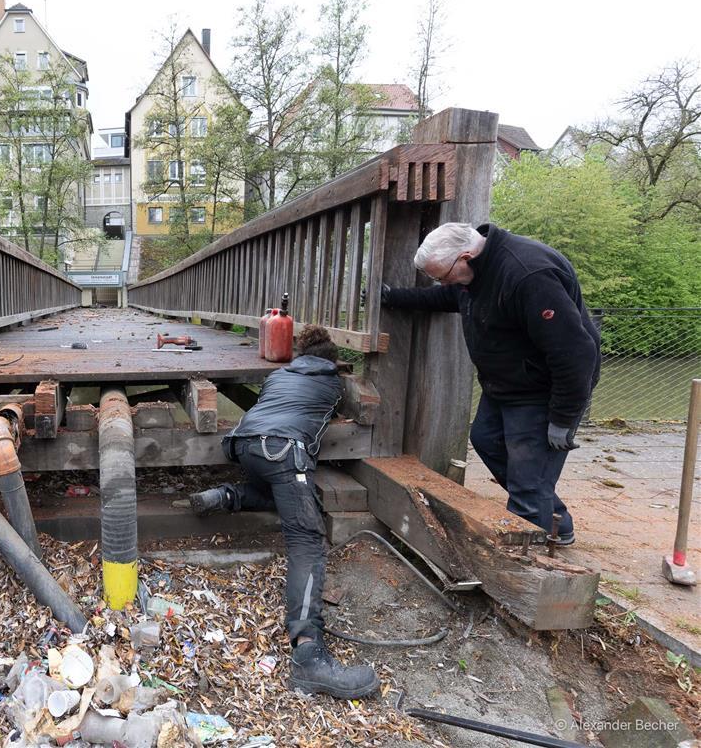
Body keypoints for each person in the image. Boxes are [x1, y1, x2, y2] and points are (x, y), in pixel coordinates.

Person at [187, 324, 380, 700]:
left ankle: (228, 497)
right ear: (331, 361)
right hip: (283, 451)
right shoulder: (332, 384)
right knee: (307, 538)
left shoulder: (278, 376)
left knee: (299, 501)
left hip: (243, 446)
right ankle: (308, 656)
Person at [383, 222, 601, 544]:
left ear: (466, 257)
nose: (442, 282)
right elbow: (447, 296)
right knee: (486, 440)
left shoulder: (528, 275)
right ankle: (556, 521)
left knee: (528, 483)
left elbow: (575, 351)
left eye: (442, 275)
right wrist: (394, 298)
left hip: (542, 391)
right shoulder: (474, 274)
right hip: (505, 385)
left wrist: (563, 418)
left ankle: (526, 563)